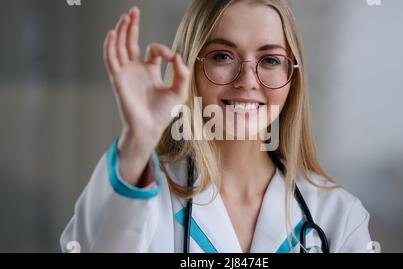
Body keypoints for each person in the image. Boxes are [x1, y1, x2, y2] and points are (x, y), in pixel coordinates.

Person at [60, 0, 372, 253]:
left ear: (293, 77)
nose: (248, 81)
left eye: (270, 60)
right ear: (189, 68)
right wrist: (139, 138)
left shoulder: (338, 216)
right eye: (222, 56)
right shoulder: (139, 189)